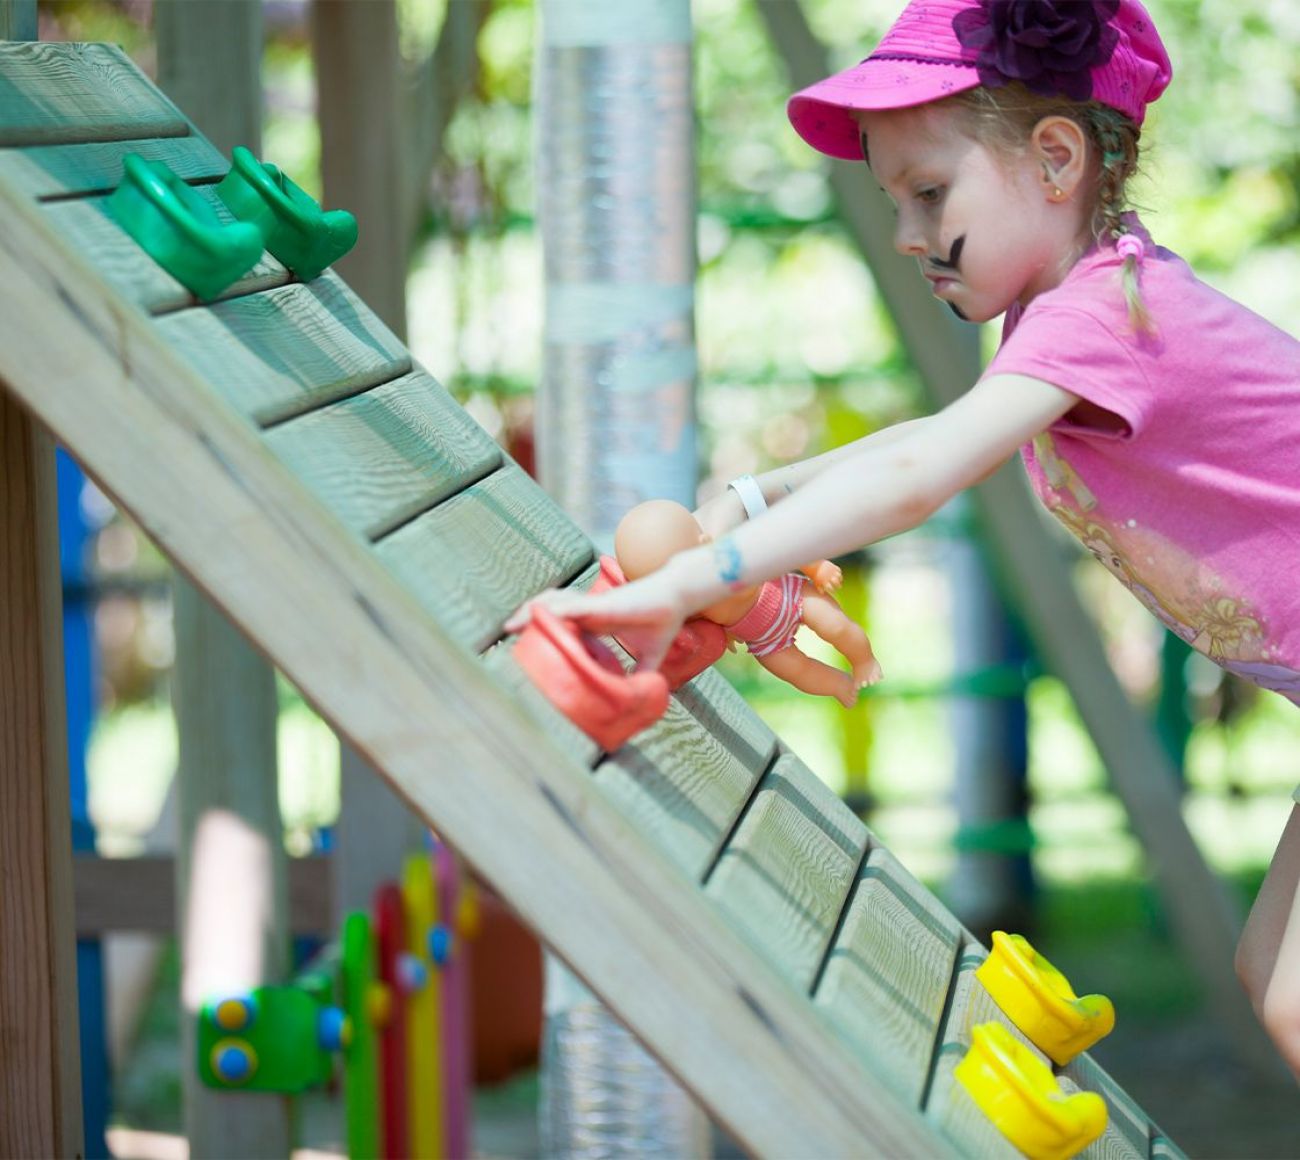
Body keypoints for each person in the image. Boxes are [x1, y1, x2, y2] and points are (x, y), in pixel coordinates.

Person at [508, 0, 1300, 1076]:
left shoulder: (1103, 316)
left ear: (1055, 159)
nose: (907, 234)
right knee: (1275, 979)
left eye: (929, 193)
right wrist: (753, 495)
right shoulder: (1074, 310)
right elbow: (931, 438)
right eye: (895, 202)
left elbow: (922, 473)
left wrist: (695, 577)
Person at [613, 498, 882, 706]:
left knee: (835, 626)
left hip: (791, 596)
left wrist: (816, 567)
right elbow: (704, 624)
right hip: (765, 641)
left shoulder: (731, 552)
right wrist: (724, 634)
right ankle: (838, 685)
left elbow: (781, 546)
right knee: (798, 672)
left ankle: (864, 661)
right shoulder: (689, 603)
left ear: (705, 543)